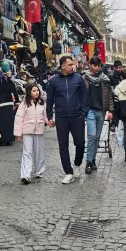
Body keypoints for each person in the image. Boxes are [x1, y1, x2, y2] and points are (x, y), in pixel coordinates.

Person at [46, 55, 89, 185]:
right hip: (61, 118)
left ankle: (77, 165)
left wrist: (84, 113)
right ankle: (68, 172)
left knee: (80, 143)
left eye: (73, 64)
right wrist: (49, 117)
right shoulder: (54, 81)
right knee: (63, 146)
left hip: (77, 117)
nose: (73, 66)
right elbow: (49, 100)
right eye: (70, 65)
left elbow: (85, 97)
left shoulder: (78, 79)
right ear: (63, 66)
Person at [14, 83, 52, 184]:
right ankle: (26, 175)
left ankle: (39, 171)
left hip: (39, 130)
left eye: (37, 91)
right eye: (34, 91)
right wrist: (18, 134)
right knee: (27, 152)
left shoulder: (42, 103)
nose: (36, 93)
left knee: (39, 152)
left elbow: (45, 116)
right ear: (29, 92)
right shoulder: (24, 103)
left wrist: (49, 121)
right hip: (27, 131)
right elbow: (19, 119)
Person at [82, 56, 113, 174]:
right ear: (90, 65)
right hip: (90, 110)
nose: (96, 68)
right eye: (94, 65)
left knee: (97, 137)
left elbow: (110, 96)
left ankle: (93, 160)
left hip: (101, 111)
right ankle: (89, 162)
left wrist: (110, 111)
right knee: (92, 135)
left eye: (98, 66)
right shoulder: (85, 78)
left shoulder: (105, 79)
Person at [0, 62, 19, 146]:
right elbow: (14, 92)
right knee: (10, 122)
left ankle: (2, 140)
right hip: (9, 104)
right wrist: (17, 101)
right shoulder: (9, 82)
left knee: (2, 123)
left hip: (1, 105)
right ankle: (10, 139)